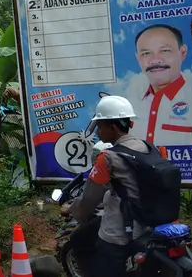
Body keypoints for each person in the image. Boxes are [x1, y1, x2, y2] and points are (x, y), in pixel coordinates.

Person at [67, 95, 149, 277]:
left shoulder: (108, 157)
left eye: (99, 127)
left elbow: (89, 198)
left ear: (112, 128)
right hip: (149, 223)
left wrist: (73, 211)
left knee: (82, 243)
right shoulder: (149, 148)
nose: (97, 132)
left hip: (120, 232)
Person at [127, 24, 192, 145]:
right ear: (138, 58)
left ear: (183, 52)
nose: (155, 60)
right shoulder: (128, 103)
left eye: (165, 51)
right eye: (146, 53)